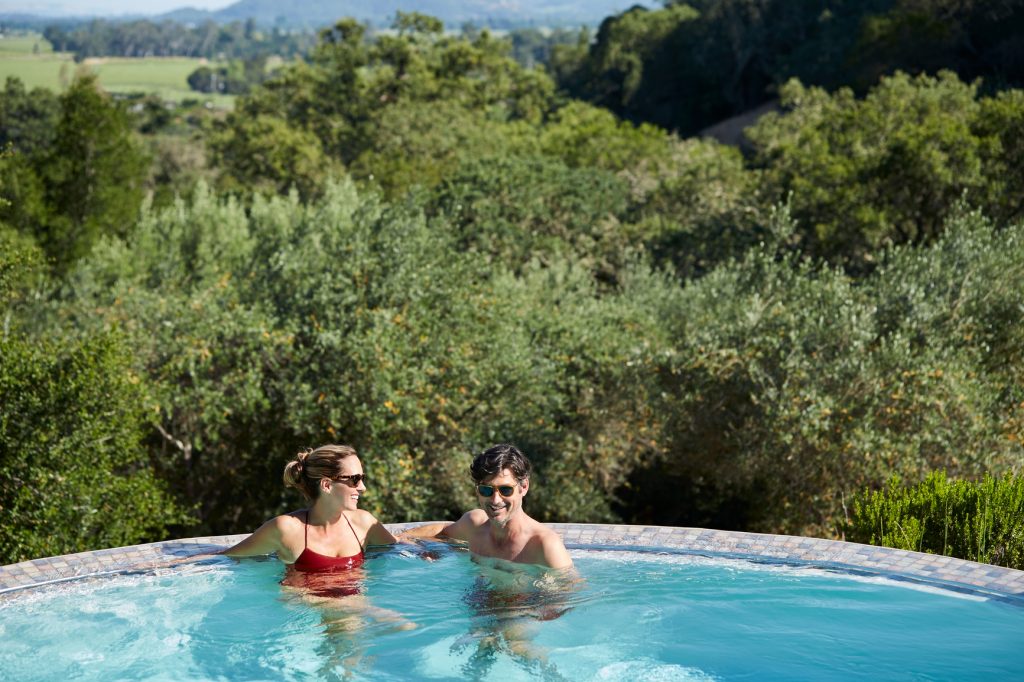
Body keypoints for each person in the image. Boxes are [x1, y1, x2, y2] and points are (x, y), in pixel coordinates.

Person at [222, 443, 398, 596]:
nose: (363, 488)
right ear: (327, 485)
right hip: (306, 617)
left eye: (362, 478)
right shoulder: (287, 529)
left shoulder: (364, 523)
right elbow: (225, 558)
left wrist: (425, 540)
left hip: (352, 613)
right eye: (355, 480)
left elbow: (402, 546)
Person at [402, 444, 573, 570]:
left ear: (524, 487)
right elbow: (442, 530)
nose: (495, 500)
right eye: (486, 490)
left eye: (505, 489)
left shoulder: (544, 544)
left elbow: (568, 594)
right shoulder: (474, 524)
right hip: (475, 608)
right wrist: (404, 540)